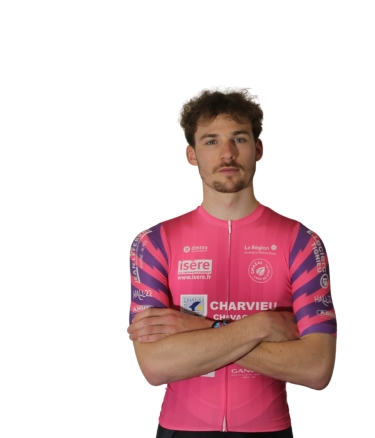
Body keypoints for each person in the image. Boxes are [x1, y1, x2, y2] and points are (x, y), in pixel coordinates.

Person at [127, 89, 337, 438]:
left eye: (239, 138)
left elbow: (316, 368)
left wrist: (196, 329)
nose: (227, 153)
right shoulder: (153, 244)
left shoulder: (301, 243)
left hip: (268, 430)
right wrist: (261, 325)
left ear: (258, 148)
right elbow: (155, 365)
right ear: (192, 154)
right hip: (180, 429)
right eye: (211, 141)